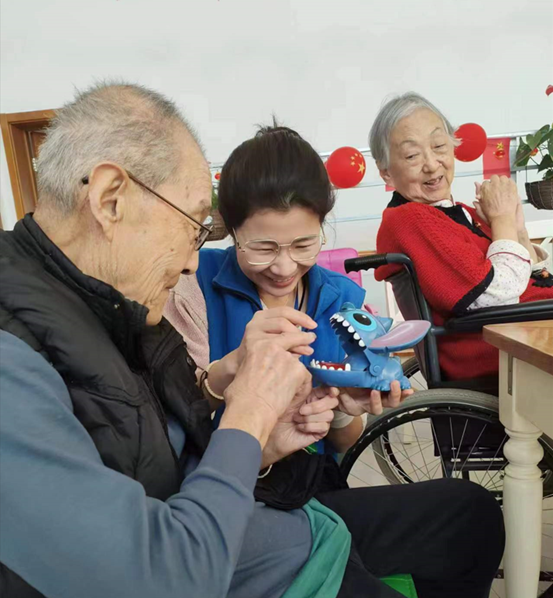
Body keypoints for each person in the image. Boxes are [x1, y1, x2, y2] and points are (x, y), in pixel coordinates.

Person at [0, 82, 504, 598]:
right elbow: (163, 569)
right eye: (194, 226)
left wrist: (269, 438)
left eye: (303, 244)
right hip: (268, 553)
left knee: (472, 513)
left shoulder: (110, 308)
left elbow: (169, 455)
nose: (192, 259)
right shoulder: (76, 331)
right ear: (110, 200)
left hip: (288, 515)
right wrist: (250, 415)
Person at [167, 124, 380, 454]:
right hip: (220, 476)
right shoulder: (192, 284)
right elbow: (168, 423)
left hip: (310, 481)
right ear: (233, 231)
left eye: (304, 245)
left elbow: (343, 445)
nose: (284, 268)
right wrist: (230, 369)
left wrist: (339, 409)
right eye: (263, 248)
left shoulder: (342, 301)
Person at [370, 92, 553, 381]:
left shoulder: (461, 213)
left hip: (531, 335)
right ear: (386, 174)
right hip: (505, 353)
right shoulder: (411, 219)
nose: (432, 164)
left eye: (439, 146)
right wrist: (502, 220)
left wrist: (516, 229)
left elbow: (529, 277)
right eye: (412, 156)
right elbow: (497, 296)